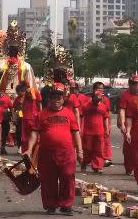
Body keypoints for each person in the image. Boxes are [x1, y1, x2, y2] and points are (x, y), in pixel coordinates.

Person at [24, 82, 83, 216]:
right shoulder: (41, 115)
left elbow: (75, 133)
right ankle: (51, 205)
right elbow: (34, 132)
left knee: (68, 177)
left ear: (63, 98)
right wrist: (29, 149)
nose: (56, 99)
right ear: (48, 98)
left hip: (67, 153)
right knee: (48, 179)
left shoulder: (69, 114)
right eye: (53, 97)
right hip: (46, 154)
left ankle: (66, 205)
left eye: (59, 97)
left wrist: (80, 151)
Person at [81, 89, 109, 173]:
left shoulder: (103, 106)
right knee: (87, 149)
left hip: (100, 132)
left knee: (99, 150)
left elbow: (106, 118)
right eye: (96, 99)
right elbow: (81, 116)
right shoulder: (86, 106)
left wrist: (107, 129)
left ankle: (97, 166)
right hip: (88, 132)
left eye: (99, 100)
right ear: (92, 97)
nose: (97, 101)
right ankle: (85, 162)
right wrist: (80, 129)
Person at [118, 74, 138, 175]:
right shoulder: (125, 95)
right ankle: (129, 167)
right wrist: (122, 124)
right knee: (128, 146)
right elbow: (122, 110)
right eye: (132, 83)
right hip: (128, 123)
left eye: (136, 84)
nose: (134, 86)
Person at [13, 81, 42, 154]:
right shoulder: (21, 96)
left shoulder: (34, 91)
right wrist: (15, 117)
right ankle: (26, 153)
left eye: (22, 88)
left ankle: (34, 154)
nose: (21, 90)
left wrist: (40, 115)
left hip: (33, 119)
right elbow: (15, 108)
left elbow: (39, 103)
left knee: (35, 137)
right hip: (25, 119)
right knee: (25, 138)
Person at [91, 81, 113, 167]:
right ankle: (97, 159)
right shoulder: (90, 100)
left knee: (106, 140)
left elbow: (108, 112)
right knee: (96, 143)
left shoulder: (106, 99)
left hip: (104, 122)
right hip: (95, 124)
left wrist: (108, 125)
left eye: (101, 89)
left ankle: (106, 157)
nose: (100, 91)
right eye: (98, 89)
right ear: (93, 90)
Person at [0, 86, 14, 155]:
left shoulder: (6, 98)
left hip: (5, 119)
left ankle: (2, 148)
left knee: (5, 133)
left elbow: (11, 107)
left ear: (1, 91)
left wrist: (13, 117)